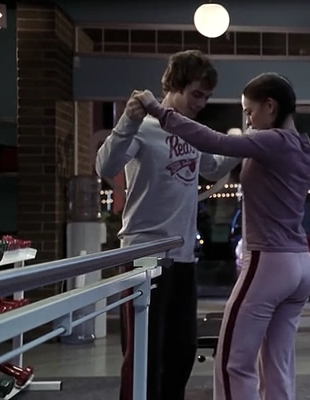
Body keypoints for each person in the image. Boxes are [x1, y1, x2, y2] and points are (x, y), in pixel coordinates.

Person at [132, 72, 310, 400]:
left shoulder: (273, 140)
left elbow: (215, 142)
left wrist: (159, 111)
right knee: (277, 362)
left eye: (249, 111)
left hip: (269, 263)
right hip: (300, 266)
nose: (248, 120)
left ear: (270, 106)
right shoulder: (302, 146)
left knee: (233, 362)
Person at [95, 50, 241, 400]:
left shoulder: (192, 132)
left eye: (206, 97)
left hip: (183, 256)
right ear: (174, 86)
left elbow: (212, 168)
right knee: (144, 355)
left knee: (182, 351)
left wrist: (246, 143)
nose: (201, 103)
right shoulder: (143, 128)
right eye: (196, 94)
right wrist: (127, 121)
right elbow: (105, 166)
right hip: (144, 255)